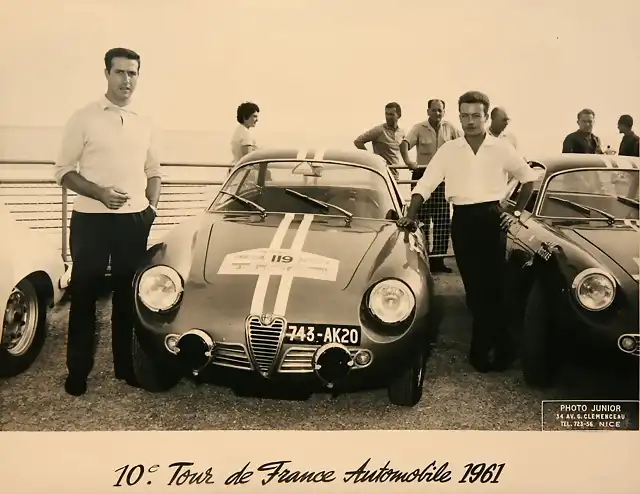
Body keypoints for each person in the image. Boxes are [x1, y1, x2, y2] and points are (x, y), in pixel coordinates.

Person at [397, 90, 540, 373]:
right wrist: (409, 215)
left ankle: (489, 349)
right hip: (462, 221)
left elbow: (528, 179)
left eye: (476, 116)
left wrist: (514, 213)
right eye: (465, 115)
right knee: (474, 289)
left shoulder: (501, 148)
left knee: (495, 286)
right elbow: (425, 184)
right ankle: (498, 344)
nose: (470, 121)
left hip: (492, 218)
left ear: (487, 117)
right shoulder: (449, 150)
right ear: (459, 116)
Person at [53, 47, 162, 396]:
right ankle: (78, 373)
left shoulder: (144, 120)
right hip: (91, 221)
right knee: (84, 295)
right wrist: (99, 192)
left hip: (134, 222)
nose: (126, 80)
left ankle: (125, 367)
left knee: (127, 295)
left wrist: (151, 211)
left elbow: (154, 172)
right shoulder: (83, 117)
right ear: (106, 74)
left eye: (133, 73)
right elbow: (64, 172)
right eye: (120, 72)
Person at [400, 99, 463, 273]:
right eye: (434, 110)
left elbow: (463, 144)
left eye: (440, 110)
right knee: (422, 221)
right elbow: (404, 144)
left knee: (442, 220)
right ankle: (423, 259)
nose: (437, 113)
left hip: (443, 179)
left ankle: (439, 261)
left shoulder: (450, 128)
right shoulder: (419, 128)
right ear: (428, 111)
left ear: (444, 111)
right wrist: (408, 161)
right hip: (423, 176)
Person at [353, 102, 405, 179]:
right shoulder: (379, 130)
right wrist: (371, 158)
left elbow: (402, 150)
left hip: (394, 175)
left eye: (391, 114)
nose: (388, 117)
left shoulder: (401, 132)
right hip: (381, 175)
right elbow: (358, 141)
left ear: (399, 115)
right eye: (386, 114)